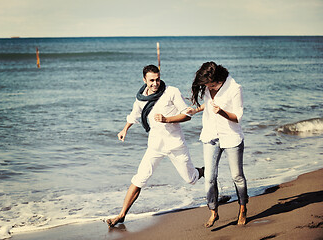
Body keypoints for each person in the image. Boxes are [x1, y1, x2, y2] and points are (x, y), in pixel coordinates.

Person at [106, 64, 204, 227]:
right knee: (139, 179)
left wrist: (167, 119)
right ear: (144, 79)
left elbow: (187, 114)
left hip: (175, 144)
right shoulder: (140, 98)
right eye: (151, 80)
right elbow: (134, 115)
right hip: (155, 146)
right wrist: (124, 129)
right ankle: (122, 214)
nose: (155, 83)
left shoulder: (171, 91)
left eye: (157, 79)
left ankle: (204, 171)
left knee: (190, 179)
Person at [187, 61, 248, 227]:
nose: (210, 88)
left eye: (212, 85)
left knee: (237, 176)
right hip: (210, 135)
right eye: (207, 85)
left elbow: (238, 116)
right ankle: (213, 211)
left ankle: (242, 208)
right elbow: (209, 104)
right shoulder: (209, 86)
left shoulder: (235, 88)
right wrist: (196, 110)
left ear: (219, 79)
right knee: (210, 177)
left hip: (231, 136)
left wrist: (221, 111)